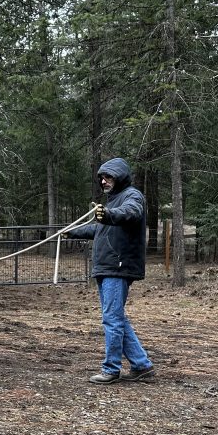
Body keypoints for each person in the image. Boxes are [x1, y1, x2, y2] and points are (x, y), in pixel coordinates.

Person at [65, 157, 156, 384]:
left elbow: (130, 212)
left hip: (118, 267)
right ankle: (141, 365)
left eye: (108, 177)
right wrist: (72, 232)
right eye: (102, 178)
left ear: (120, 177)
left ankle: (111, 369)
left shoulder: (132, 197)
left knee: (112, 320)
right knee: (117, 319)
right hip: (107, 267)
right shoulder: (112, 202)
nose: (104, 181)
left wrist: (109, 215)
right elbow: (99, 229)